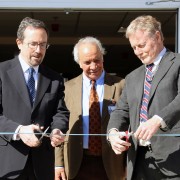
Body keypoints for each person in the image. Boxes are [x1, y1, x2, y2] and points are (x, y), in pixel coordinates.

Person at [107, 15, 180, 180]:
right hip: (139, 161)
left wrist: (158, 120)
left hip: (174, 160)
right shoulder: (132, 77)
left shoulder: (177, 64)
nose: (137, 52)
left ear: (158, 36)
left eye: (142, 45)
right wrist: (113, 133)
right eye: (134, 47)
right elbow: (120, 111)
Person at [0, 17, 69, 180]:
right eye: (33, 44)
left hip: (42, 165)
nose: (39, 50)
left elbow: (61, 112)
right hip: (7, 163)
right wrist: (18, 130)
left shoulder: (54, 78)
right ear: (19, 43)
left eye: (43, 44)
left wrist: (58, 129)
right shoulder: (1, 72)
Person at [54, 36, 126, 180]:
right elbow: (60, 125)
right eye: (87, 62)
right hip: (76, 163)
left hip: (112, 163)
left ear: (102, 58)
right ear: (79, 63)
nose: (93, 66)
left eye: (97, 60)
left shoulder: (121, 85)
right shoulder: (67, 89)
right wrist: (58, 164)